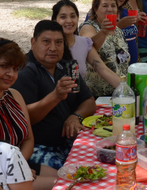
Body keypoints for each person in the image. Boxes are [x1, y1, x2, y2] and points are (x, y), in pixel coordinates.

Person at [0, 38, 58, 190]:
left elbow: (29, 138)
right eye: (4, 66)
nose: (10, 74)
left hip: (23, 162)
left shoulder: (14, 95)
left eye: (15, 69)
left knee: (71, 179)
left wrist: (20, 166)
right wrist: (17, 172)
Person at [11, 20, 96, 170]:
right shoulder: (25, 71)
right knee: (73, 179)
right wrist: (55, 96)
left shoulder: (67, 66)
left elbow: (89, 101)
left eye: (58, 42)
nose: (53, 48)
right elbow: (25, 117)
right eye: (46, 41)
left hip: (67, 143)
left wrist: (76, 115)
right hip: (38, 148)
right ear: (33, 42)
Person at [51, 0, 121, 92]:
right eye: (63, 17)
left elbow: (103, 70)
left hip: (78, 99)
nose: (69, 21)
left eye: (73, 16)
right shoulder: (50, 47)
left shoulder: (84, 43)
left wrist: (127, 90)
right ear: (55, 20)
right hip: (54, 100)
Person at [79, 0, 131, 97]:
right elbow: (89, 45)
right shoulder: (88, 27)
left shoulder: (117, 31)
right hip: (96, 96)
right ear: (95, 9)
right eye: (105, 5)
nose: (110, 9)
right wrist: (103, 32)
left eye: (113, 5)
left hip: (119, 93)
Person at [106, 0, 140, 64]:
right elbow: (93, 42)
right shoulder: (100, 13)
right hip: (113, 69)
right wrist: (118, 26)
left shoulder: (125, 12)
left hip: (131, 68)